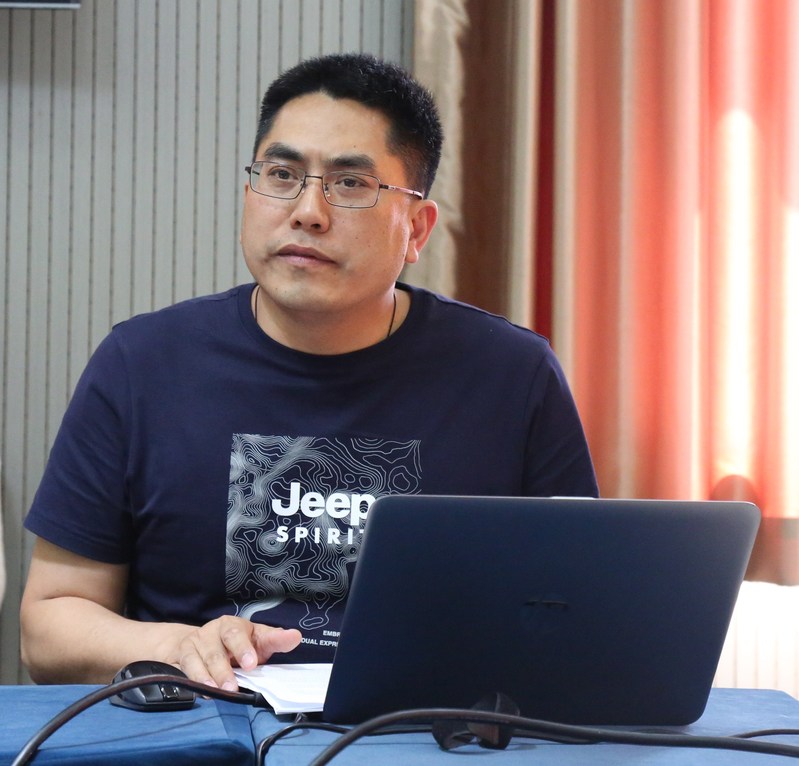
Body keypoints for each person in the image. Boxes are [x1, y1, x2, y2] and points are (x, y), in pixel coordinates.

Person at [20, 53, 598, 692]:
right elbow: (49, 625)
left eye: (350, 184)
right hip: (205, 722)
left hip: (421, 728)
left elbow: (576, 611)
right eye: (281, 174)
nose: (307, 211)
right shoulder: (142, 364)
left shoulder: (512, 376)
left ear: (416, 228)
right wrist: (178, 645)